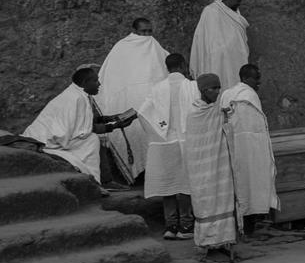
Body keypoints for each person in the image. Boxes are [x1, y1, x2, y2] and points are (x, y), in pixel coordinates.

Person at [23, 65, 138, 188]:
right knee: (92, 139)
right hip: (47, 141)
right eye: (95, 80)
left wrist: (112, 118)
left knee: (92, 139)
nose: (99, 84)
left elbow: (83, 121)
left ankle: (104, 181)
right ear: (84, 83)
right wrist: (114, 126)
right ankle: (97, 181)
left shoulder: (77, 93)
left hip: (45, 137)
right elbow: (83, 131)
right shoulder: (77, 98)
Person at [96, 17, 168, 182]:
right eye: (143, 31)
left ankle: (157, 175)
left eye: (149, 31)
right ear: (134, 31)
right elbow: (111, 75)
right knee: (135, 135)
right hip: (128, 101)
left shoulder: (154, 45)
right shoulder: (121, 47)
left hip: (151, 101)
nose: (147, 35)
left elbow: (165, 66)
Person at [138, 53, 195, 240]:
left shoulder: (157, 89)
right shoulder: (192, 87)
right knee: (185, 184)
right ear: (182, 65)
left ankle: (171, 226)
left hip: (164, 143)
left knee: (168, 185)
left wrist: (157, 134)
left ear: (167, 67)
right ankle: (186, 226)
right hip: (186, 141)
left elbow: (142, 113)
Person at [221, 63, 279, 238]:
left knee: (242, 186)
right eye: (256, 78)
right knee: (249, 185)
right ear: (245, 78)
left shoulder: (227, 94)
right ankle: (247, 229)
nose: (259, 81)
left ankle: (241, 227)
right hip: (249, 149)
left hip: (235, 147)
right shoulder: (248, 95)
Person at [185, 73, 236, 262]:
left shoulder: (218, 110)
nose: (217, 92)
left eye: (218, 88)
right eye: (213, 88)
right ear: (203, 90)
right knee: (205, 202)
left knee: (222, 198)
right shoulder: (194, 113)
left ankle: (223, 240)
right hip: (201, 168)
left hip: (219, 164)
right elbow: (193, 145)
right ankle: (206, 241)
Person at [190, 0, 249, 92]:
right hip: (215, 58)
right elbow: (203, 36)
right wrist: (220, 50)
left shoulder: (234, 13)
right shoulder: (210, 11)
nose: (239, 4)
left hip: (235, 58)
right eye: (238, 1)